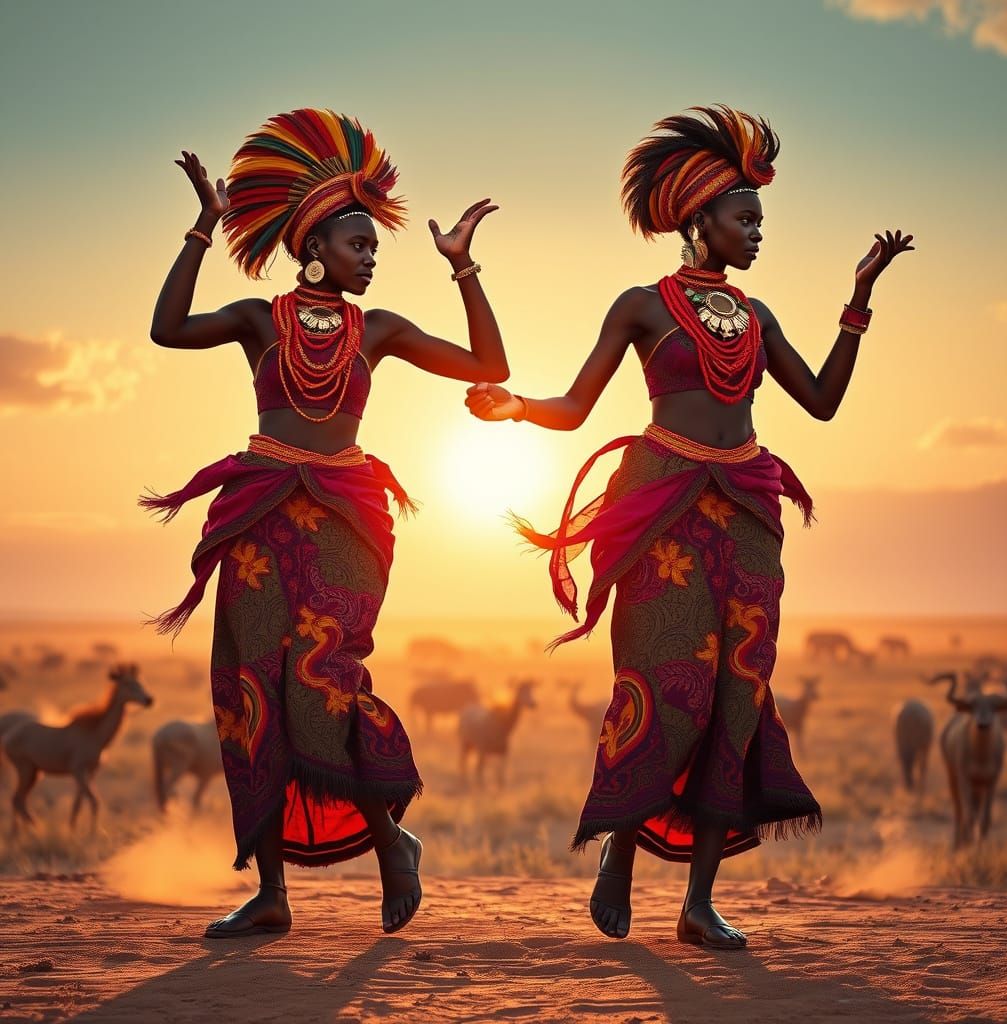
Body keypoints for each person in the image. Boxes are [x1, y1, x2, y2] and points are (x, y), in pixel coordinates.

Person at [466, 105, 912, 949]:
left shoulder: (759, 316)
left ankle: (700, 900)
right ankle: (623, 855)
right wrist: (514, 407)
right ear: (697, 219)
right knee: (662, 688)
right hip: (660, 503)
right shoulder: (640, 306)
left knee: (734, 696)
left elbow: (821, 402)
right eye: (745, 218)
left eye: (761, 221)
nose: (756, 233)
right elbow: (573, 405)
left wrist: (858, 299)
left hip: (746, 510)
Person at [145, 107, 508, 938]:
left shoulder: (376, 330)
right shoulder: (255, 320)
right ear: (316, 249)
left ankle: (390, 842)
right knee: (252, 695)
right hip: (261, 514)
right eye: (361, 246)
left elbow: (491, 365)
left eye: (376, 247)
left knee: (324, 686)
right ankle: (272, 894)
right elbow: (166, 330)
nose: (373, 258)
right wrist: (201, 230)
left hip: (345, 522)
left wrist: (463, 268)